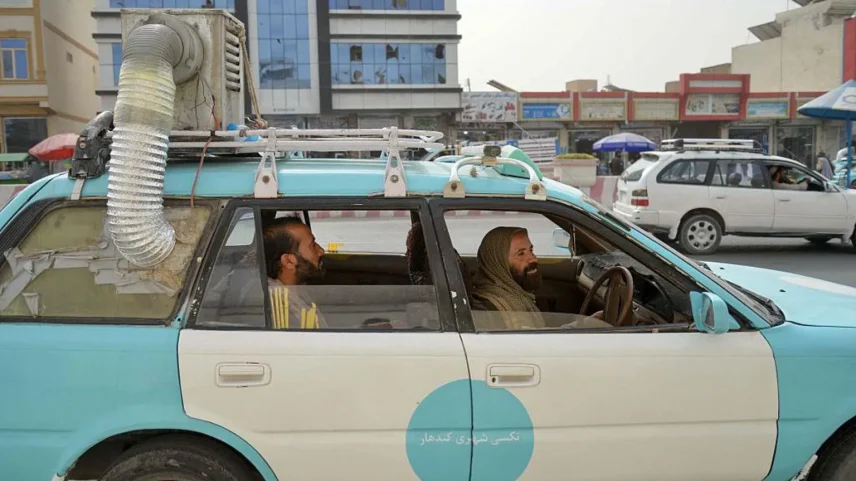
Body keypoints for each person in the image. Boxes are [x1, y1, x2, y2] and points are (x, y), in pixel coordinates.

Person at [470, 226, 545, 330]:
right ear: (499, 264)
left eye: (531, 249)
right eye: (521, 253)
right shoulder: (487, 311)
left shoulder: (519, 296)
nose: (533, 259)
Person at [263, 216, 328, 329]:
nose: (321, 251)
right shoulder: (277, 307)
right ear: (288, 261)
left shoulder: (295, 289)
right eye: (312, 246)